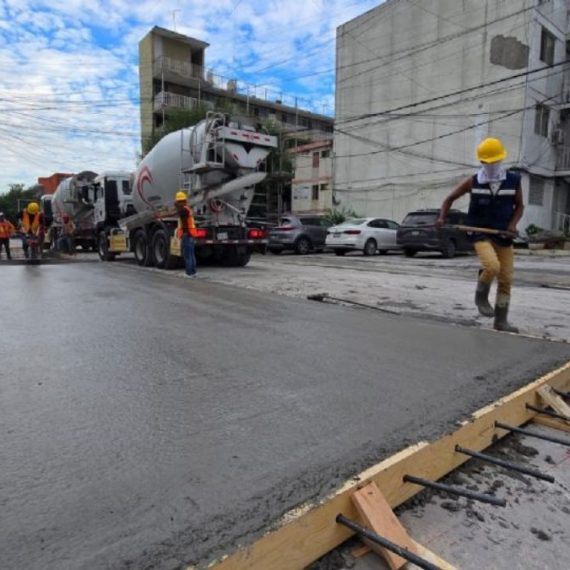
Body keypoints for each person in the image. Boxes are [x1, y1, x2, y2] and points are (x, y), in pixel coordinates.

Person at [437, 137, 524, 333]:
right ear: (482, 162)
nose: (491, 165)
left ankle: (501, 321)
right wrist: (442, 217)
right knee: (492, 266)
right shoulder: (473, 181)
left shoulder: (513, 181)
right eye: (486, 162)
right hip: (478, 232)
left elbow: (520, 205)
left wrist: (512, 224)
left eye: (494, 161)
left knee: (506, 278)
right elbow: (449, 199)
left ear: (501, 160)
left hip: (503, 234)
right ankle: (481, 296)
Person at [174, 191, 197, 277]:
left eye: (177, 201)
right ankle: (193, 272)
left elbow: (182, 221)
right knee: (191, 254)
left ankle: (188, 273)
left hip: (186, 234)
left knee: (187, 255)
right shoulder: (187, 209)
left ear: (180, 201)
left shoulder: (183, 210)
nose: (176, 203)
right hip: (191, 234)